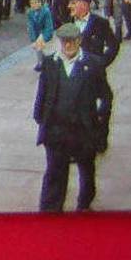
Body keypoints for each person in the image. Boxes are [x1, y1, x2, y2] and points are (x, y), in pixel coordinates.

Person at [34, 23, 111, 212]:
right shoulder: (51, 63)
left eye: (72, 41)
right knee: (54, 172)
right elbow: (42, 94)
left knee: (86, 169)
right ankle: (50, 210)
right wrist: (41, 119)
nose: (68, 45)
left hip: (83, 130)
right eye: (64, 41)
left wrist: (101, 126)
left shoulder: (93, 64)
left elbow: (106, 97)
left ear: (79, 41)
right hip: (56, 131)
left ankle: (84, 203)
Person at [67, 0, 120, 117]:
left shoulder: (100, 23)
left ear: (84, 5)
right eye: (70, 3)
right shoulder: (68, 24)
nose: (69, 6)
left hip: (94, 73)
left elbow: (113, 44)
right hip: (74, 75)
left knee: (104, 99)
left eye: (73, 3)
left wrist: (102, 62)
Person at [26, 0, 55, 71]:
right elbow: (30, 26)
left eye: (37, 2)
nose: (34, 5)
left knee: (47, 51)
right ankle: (40, 63)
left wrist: (44, 38)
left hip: (45, 34)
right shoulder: (30, 13)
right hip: (37, 35)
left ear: (40, 2)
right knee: (38, 50)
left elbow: (49, 27)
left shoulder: (46, 12)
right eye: (32, 3)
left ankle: (49, 64)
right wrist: (33, 39)